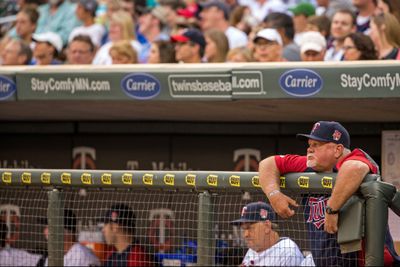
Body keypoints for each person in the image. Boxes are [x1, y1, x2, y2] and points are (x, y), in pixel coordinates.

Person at [259, 121, 400, 266]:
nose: (309, 149)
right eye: (309, 144)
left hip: (368, 261)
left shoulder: (355, 159)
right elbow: (268, 163)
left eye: (316, 145)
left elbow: (355, 167)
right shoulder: (308, 166)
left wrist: (332, 208)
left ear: (338, 149)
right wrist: (274, 194)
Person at [231, 202, 307, 266]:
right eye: (244, 229)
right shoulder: (253, 250)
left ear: (267, 226)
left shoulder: (287, 252)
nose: (246, 234)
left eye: (250, 228)